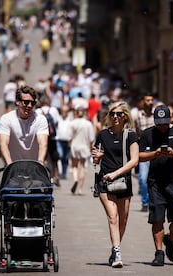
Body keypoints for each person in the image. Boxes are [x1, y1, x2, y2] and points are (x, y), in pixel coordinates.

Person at [139, 105, 173, 266]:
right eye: (159, 123)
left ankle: (170, 239)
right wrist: (154, 154)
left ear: (170, 119)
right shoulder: (148, 133)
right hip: (155, 182)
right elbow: (139, 156)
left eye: (165, 123)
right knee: (157, 218)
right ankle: (159, 253)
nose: (162, 126)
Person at [91, 102, 139, 268]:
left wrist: (116, 173)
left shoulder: (130, 135)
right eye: (113, 114)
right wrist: (97, 157)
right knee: (113, 217)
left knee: (123, 220)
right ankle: (118, 252)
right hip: (104, 181)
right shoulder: (102, 135)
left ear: (125, 115)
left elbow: (134, 160)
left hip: (123, 181)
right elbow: (95, 159)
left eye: (119, 114)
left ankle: (114, 247)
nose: (116, 117)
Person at [0, 85, 48, 165]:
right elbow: (3, 144)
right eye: (26, 102)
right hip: (14, 166)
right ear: (17, 101)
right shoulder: (6, 119)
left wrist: (40, 162)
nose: (30, 106)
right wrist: (9, 163)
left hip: (34, 166)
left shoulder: (40, 119)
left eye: (33, 103)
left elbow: (43, 143)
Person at [134, 92, 155, 212]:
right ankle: (145, 202)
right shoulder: (137, 116)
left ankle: (154, 201)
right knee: (143, 178)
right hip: (143, 151)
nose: (150, 102)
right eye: (148, 100)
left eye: (151, 100)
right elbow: (134, 133)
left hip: (155, 150)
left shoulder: (156, 115)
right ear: (143, 102)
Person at [68, 107, 95, 195]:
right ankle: (80, 189)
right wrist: (91, 149)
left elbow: (69, 137)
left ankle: (75, 179)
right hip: (84, 147)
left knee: (74, 166)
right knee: (82, 166)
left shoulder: (72, 123)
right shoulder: (88, 124)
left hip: (74, 146)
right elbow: (91, 139)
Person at [56, 104, 72, 179]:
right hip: (59, 140)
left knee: (66, 158)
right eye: (63, 111)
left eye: (66, 111)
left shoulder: (70, 120)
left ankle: (64, 173)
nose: (64, 112)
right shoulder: (58, 119)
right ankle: (58, 172)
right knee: (60, 156)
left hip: (67, 141)